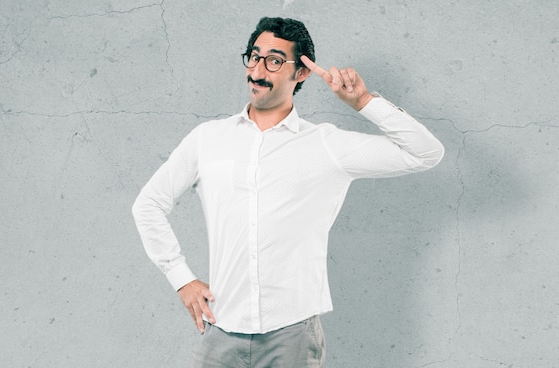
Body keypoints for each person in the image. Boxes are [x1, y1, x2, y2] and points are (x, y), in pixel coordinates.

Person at [132, 16, 444, 368]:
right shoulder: (208, 139)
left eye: (275, 60)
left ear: (301, 73)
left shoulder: (326, 145)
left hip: (292, 337)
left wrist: (363, 102)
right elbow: (148, 205)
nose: (258, 70)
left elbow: (425, 152)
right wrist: (181, 279)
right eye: (254, 56)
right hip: (220, 332)